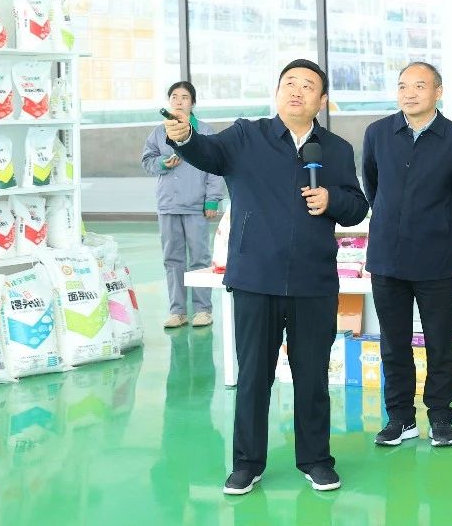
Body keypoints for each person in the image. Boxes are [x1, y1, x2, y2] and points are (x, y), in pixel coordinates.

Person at [164, 59, 369, 496]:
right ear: (277, 92)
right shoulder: (246, 135)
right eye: (289, 83)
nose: (297, 90)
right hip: (256, 279)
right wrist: (184, 137)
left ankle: (316, 460)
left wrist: (331, 199)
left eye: (308, 86)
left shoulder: (334, 150)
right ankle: (247, 464)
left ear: (321, 100)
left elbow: (357, 207)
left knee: (312, 377)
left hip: (313, 282)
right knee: (254, 376)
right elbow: (207, 152)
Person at [362, 62, 452, 450]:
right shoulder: (377, 133)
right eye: (402, 86)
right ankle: (400, 418)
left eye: (419, 86)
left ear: (437, 92)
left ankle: (441, 417)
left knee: (439, 342)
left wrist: (436, 227)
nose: (409, 93)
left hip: (435, 257)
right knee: (393, 343)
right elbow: (372, 186)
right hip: (386, 257)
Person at [141, 80, 224, 328]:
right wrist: (162, 163)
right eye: (174, 97)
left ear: (192, 103)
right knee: (172, 259)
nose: (179, 101)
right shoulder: (158, 133)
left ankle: (202, 310)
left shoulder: (205, 132)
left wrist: (213, 199)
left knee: (199, 258)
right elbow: (147, 160)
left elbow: (216, 168)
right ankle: (177, 311)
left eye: (184, 97)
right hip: (168, 205)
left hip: (196, 206)